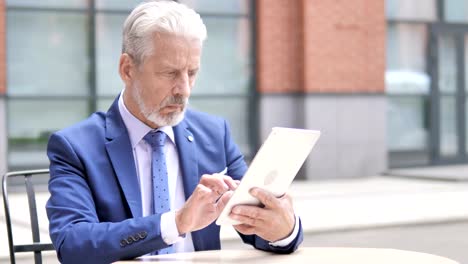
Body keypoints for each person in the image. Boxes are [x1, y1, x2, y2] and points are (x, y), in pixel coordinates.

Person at [46, 1, 303, 263]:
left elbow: (256, 228)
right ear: (127, 69)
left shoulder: (214, 135)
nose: (184, 90)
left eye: (191, 73)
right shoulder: (75, 146)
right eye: (170, 73)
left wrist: (284, 230)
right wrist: (176, 222)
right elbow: (73, 244)